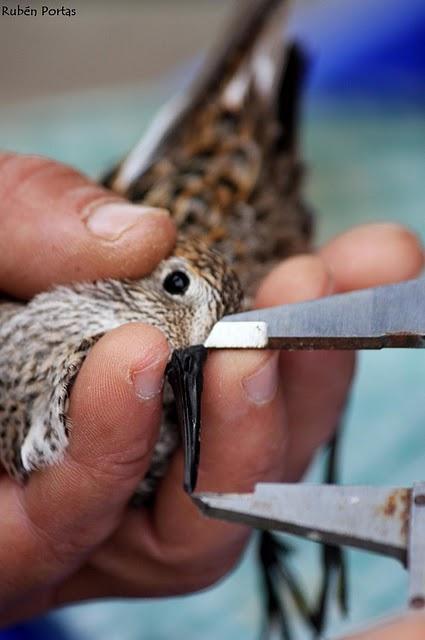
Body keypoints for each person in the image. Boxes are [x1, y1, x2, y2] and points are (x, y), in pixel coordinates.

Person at [0, 152, 423, 638]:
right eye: (179, 285)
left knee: (291, 359)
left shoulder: (179, 378)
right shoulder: (112, 254)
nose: (189, 360)